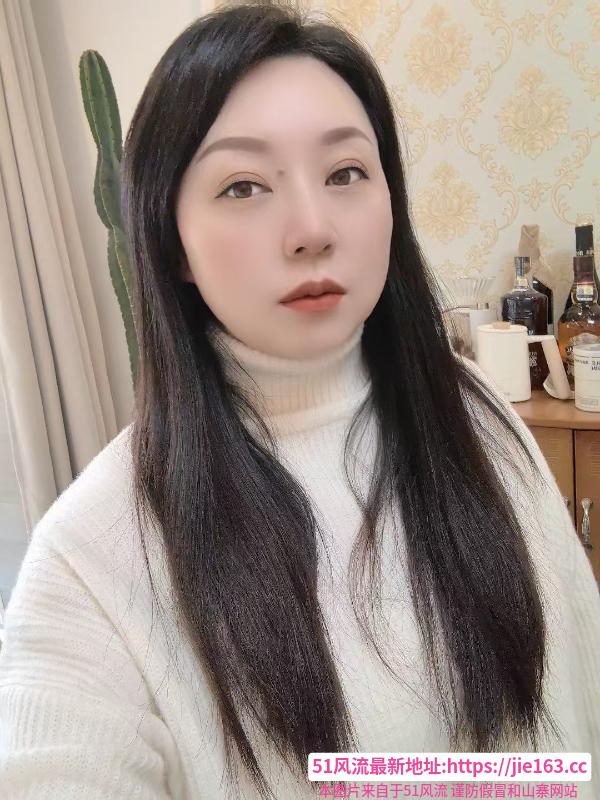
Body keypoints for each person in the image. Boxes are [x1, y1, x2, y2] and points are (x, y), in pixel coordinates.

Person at [0, 2, 598, 799]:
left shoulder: (480, 415)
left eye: (346, 173)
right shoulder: (91, 557)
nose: (312, 228)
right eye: (243, 186)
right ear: (171, 244)